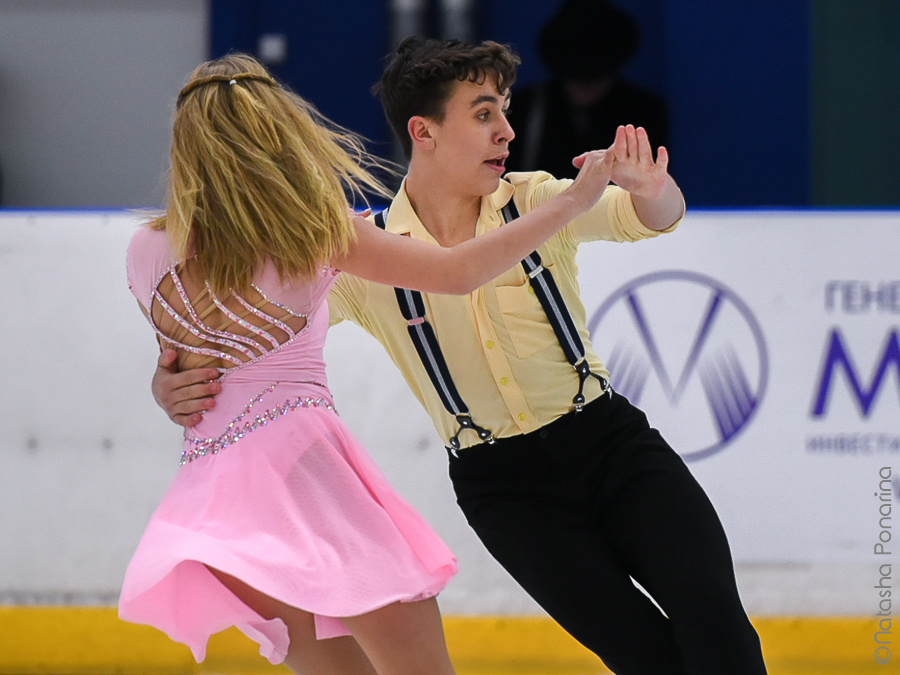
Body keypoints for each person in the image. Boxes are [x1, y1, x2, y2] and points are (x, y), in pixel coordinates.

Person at [151, 40, 768, 674]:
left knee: (714, 617)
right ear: (424, 132)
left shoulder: (534, 200)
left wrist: (655, 189)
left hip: (612, 445)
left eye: (504, 110)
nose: (506, 131)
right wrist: (168, 383)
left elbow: (648, 218)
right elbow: (250, 345)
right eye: (483, 113)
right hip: (505, 489)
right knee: (642, 653)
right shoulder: (368, 256)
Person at [505, 0, 669, 179]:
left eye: (596, 75)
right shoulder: (524, 108)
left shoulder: (643, 111)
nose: (586, 85)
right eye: (576, 75)